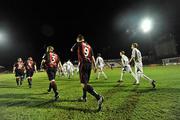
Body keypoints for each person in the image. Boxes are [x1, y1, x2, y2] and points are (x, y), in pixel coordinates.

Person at [71, 34, 104, 111]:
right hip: (89, 65)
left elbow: (71, 49)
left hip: (83, 64)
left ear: (79, 39)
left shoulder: (78, 43)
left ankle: (98, 97)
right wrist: (94, 66)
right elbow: (92, 56)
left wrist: (75, 45)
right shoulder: (89, 46)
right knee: (86, 82)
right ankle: (84, 97)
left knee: (83, 84)